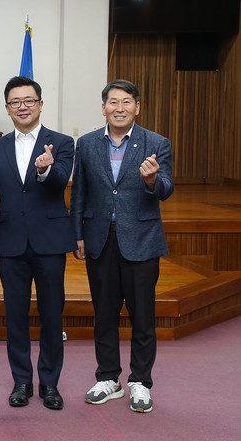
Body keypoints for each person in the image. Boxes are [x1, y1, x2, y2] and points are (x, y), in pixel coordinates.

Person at [71, 79, 173, 414]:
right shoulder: (87, 144)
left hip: (141, 240)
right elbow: (80, 192)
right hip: (99, 239)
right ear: (103, 108)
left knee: (142, 316)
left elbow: (166, 189)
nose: (119, 108)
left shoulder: (156, 143)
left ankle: (140, 381)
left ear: (137, 107)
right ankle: (107, 378)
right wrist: (77, 234)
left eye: (126, 102)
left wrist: (152, 180)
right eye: (113, 102)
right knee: (104, 314)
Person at [0, 76, 76, 411]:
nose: (23, 107)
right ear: (7, 108)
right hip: (10, 242)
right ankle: (21, 381)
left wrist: (46, 171)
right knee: (15, 316)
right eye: (16, 102)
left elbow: (61, 183)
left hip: (50, 241)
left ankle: (50, 383)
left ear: (40, 104)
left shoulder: (61, 142)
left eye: (29, 101)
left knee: (52, 315)